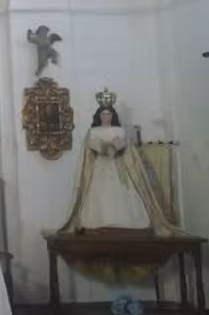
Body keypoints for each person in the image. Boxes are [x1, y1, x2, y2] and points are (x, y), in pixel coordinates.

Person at [58, 90, 181, 236]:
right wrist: (103, 147)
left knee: (123, 196)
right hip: (99, 169)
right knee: (98, 196)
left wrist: (118, 146)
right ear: (99, 115)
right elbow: (89, 146)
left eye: (108, 114)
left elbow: (128, 149)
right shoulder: (93, 131)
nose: (106, 117)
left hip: (118, 167)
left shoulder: (120, 130)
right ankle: (96, 223)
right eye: (103, 114)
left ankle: (128, 223)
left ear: (113, 115)